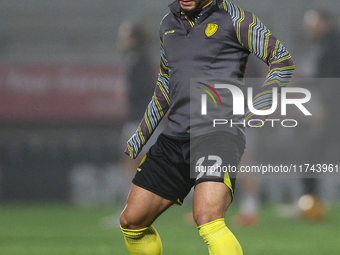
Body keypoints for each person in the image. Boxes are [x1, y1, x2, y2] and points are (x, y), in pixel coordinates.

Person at [120, 0, 295, 254]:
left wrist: (257, 110)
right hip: (175, 137)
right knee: (132, 222)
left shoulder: (237, 19)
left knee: (208, 217)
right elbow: (166, 81)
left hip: (218, 135)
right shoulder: (167, 24)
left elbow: (282, 60)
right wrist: (142, 134)